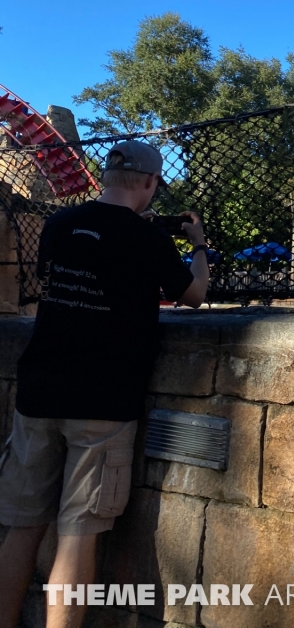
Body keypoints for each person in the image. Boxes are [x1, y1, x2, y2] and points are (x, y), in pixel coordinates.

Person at [0, 140, 209, 628]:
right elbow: (195, 294)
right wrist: (197, 244)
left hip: (38, 393)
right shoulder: (147, 240)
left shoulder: (56, 224)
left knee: (21, 529)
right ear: (150, 183)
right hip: (103, 401)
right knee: (78, 534)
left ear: (106, 177)